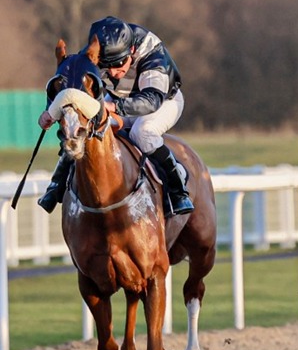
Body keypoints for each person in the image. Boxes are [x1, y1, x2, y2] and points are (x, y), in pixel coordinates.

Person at [38, 16, 194, 215]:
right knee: (84, 130)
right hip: (118, 101)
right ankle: (56, 185)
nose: (113, 72)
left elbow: (151, 101)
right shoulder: (93, 53)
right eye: (107, 65)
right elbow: (68, 85)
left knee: (142, 131)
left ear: (131, 50)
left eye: (119, 63)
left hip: (162, 101)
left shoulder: (153, 55)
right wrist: (51, 110)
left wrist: (113, 106)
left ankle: (178, 190)